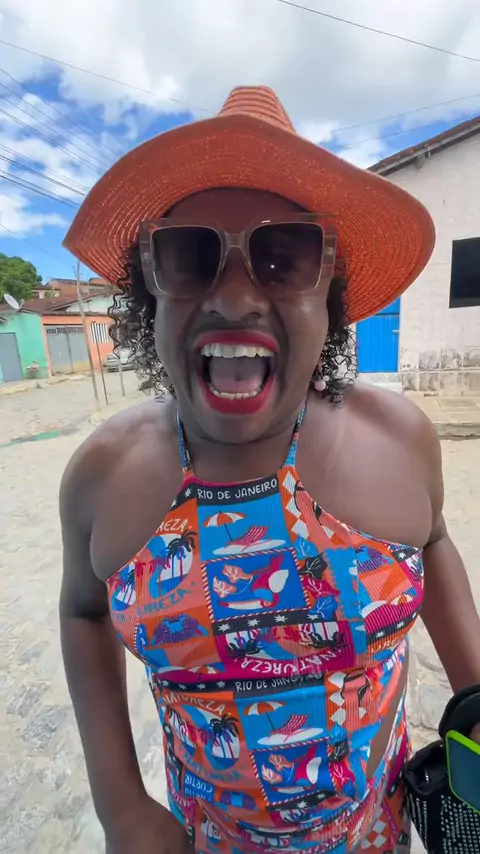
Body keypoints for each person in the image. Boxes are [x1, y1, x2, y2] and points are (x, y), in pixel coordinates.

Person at [60, 87, 480, 854]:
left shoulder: (397, 441)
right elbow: (83, 612)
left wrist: (477, 697)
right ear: (148, 292)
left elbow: (435, 542)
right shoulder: (104, 478)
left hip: (379, 830)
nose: (234, 294)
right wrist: (120, 803)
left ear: (332, 296)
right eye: (191, 256)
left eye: (284, 256)